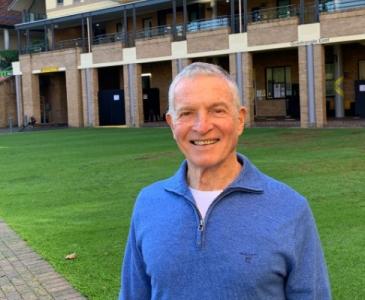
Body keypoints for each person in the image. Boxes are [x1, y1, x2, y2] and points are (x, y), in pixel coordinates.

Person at [119, 62, 331, 299]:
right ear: (171, 123)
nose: (202, 126)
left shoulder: (290, 208)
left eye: (217, 110)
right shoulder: (149, 204)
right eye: (187, 113)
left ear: (240, 120)